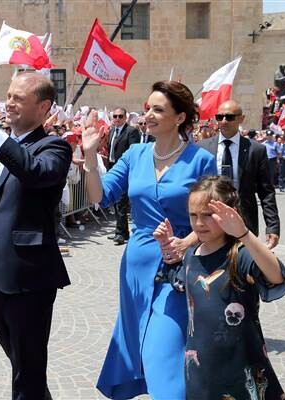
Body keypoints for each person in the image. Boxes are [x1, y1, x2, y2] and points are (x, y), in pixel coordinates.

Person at [81, 81, 217, 399]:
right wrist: (89, 157)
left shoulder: (201, 161)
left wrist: (187, 242)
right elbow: (99, 196)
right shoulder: (135, 154)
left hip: (180, 269)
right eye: (147, 109)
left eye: (158, 109)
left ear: (180, 117)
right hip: (136, 268)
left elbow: (214, 217)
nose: (148, 115)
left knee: (163, 351)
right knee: (141, 346)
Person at [0, 72, 72, 400]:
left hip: (29, 276)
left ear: (44, 106)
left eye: (18, 98)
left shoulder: (55, 147)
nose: (9, 103)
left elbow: (33, 172)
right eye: (8, 95)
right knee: (21, 362)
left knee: (28, 366)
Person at [154, 175, 285, 400]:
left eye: (208, 215)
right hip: (201, 371)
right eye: (193, 215)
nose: (198, 223)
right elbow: (178, 281)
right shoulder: (191, 255)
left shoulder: (240, 255)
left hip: (241, 368)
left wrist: (244, 234)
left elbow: (276, 277)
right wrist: (168, 248)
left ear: (230, 213)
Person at [198, 100, 280, 249]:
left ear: (241, 119)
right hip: (210, 219)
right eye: (219, 117)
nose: (223, 121)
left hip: (244, 220)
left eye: (229, 117)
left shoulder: (256, 150)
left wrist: (272, 226)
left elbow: (266, 192)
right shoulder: (203, 148)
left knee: (241, 266)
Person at [106, 107, 140, 245]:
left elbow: (133, 151)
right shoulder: (112, 131)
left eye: (120, 116)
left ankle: (120, 233)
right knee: (116, 202)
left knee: (121, 203)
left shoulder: (131, 131)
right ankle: (121, 231)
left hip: (125, 172)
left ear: (125, 117)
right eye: (115, 116)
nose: (117, 119)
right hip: (113, 169)